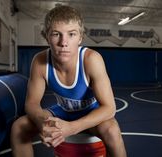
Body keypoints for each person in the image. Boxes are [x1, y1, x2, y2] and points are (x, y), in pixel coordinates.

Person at [10, 5, 127, 157]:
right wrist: (43, 124)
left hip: (91, 112)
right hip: (63, 111)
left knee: (112, 130)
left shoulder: (91, 59)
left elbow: (109, 108)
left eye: (71, 34)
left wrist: (71, 128)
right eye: (56, 34)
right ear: (46, 36)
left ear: (80, 37)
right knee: (19, 127)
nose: (63, 42)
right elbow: (31, 103)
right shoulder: (40, 61)